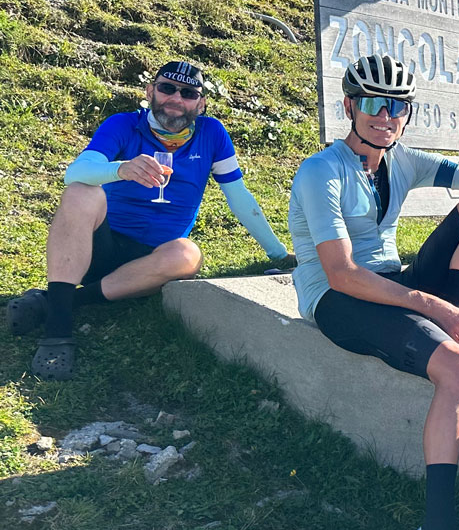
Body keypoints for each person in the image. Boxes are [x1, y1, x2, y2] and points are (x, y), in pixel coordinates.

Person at [287, 54, 459, 530]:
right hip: (339, 299)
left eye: (396, 106)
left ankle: (442, 325)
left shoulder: (403, 159)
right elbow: (343, 274)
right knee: (457, 367)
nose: (384, 116)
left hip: (394, 283)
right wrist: (434, 310)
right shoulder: (321, 171)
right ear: (349, 106)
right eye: (372, 103)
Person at [9, 61, 290, 380]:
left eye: (187, 92)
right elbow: (74, 173)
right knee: (80, 193)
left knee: (189, 254)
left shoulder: (212, 133)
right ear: (150, 91)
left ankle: (57, 304)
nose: (175, 98)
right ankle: (57, 331)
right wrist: (121, 169)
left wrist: (278, 254)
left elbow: (238, 197)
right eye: (167, 88)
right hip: (100, 247)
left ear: (201, 103)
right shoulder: (124, 124)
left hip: (153, 260)